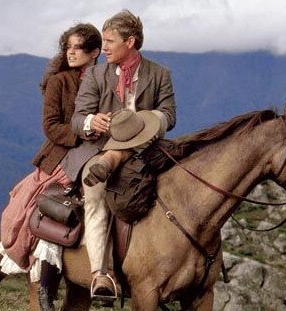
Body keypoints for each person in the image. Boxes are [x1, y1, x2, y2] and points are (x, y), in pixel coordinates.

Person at [65, 10, 176, 301]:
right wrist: (93, 122)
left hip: (146, 149)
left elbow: (169, 116)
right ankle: (101, 273)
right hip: (98, 147)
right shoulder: (95, 74)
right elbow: (77, 119)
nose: (104, 48)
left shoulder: (159, 74)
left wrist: (144, 123)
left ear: (131, 42)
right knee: (95, 190)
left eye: (110, 41)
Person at [0, 23, 101, 311]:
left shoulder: (105, 79)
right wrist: (84, 133)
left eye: (78, 47)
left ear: (95, 52)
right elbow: (51, 127)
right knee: (58, 207)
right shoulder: (60, 82)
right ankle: (45, 285)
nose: (71, 52)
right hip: (61, 156)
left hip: (99, 153)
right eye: (68, 47)